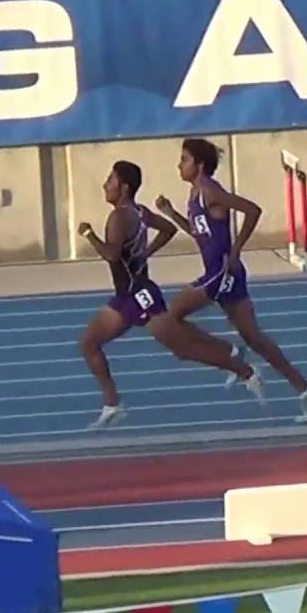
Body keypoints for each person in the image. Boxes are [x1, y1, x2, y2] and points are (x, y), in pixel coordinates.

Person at [78, 161, 264, 429]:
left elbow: (111, 255)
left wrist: (89, 234)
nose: (105, 185)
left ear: (124, 186)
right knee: (89, 343)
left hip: (140, 296)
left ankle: (246, 371)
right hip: (127, 296)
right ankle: (112, 404)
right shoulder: (139, 212)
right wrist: (146, 252)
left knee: (184, 350)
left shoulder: (119, 217)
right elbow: (169, 230)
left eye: (110, 180)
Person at [154, 138, 307, 423]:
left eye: (184, 159)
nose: (179, 165)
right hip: (225, 274)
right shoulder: (195, 194)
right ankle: (304, 387)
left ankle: (230, 355)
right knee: (254, 337)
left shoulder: (210, 191)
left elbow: (253, 210)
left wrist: (235, 250)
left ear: (200, 164)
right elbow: (200, 234)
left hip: (221, 273)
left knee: (170, 318)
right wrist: (171, 214)